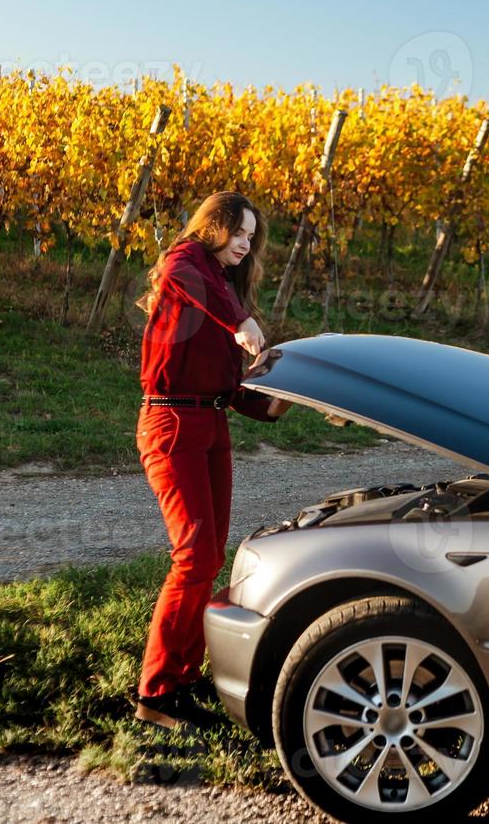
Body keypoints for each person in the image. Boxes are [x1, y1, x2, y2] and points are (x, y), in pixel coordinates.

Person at [130, 190, 293, 731]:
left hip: (211, 422)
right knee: (195, 555)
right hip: (172, 422)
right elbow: (189, 275)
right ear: (214, 228)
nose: (246, 244)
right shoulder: (186, 265)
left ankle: (181, 678)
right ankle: (156, 693)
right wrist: (241, 321)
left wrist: (288, 398)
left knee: (210, 554)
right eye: (238, 232)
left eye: (252, 237)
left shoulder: (222, 291)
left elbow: (235, 387)